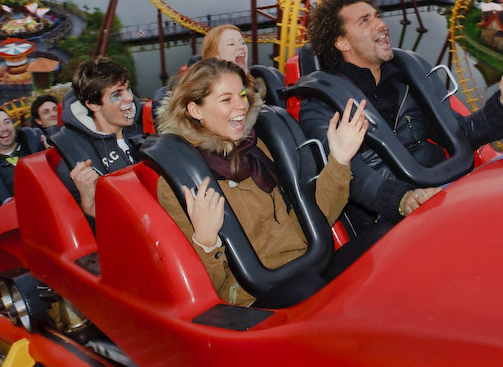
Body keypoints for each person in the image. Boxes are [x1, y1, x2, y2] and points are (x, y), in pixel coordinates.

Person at [299, 0, 503, 226]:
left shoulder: (407, 80)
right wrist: (403, 200)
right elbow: (347, 175)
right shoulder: (322, 105)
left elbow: (461, 133)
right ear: (342, 42)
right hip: (391, 212)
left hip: (444, 183)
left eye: (377, 16)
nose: (381, 24)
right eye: (365, 21)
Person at [155, 58, 368, 308]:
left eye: (242, 95)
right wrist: (206, 239)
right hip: (253, 296)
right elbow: (207, 287)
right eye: (226, 100)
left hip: (307, 265)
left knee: (380, 243)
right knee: (307, 289)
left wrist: (339, 160)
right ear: (195, 110)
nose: (241, 106)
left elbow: (319, 217)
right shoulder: (180, 180)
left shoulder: (260, 147)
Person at [51, 57, 148, 217]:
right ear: (93, 105)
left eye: (128, 89)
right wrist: (89, 204)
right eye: (117, 94)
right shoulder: (77, 164)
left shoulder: (148, 125)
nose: (130, 98)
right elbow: (90, 235)